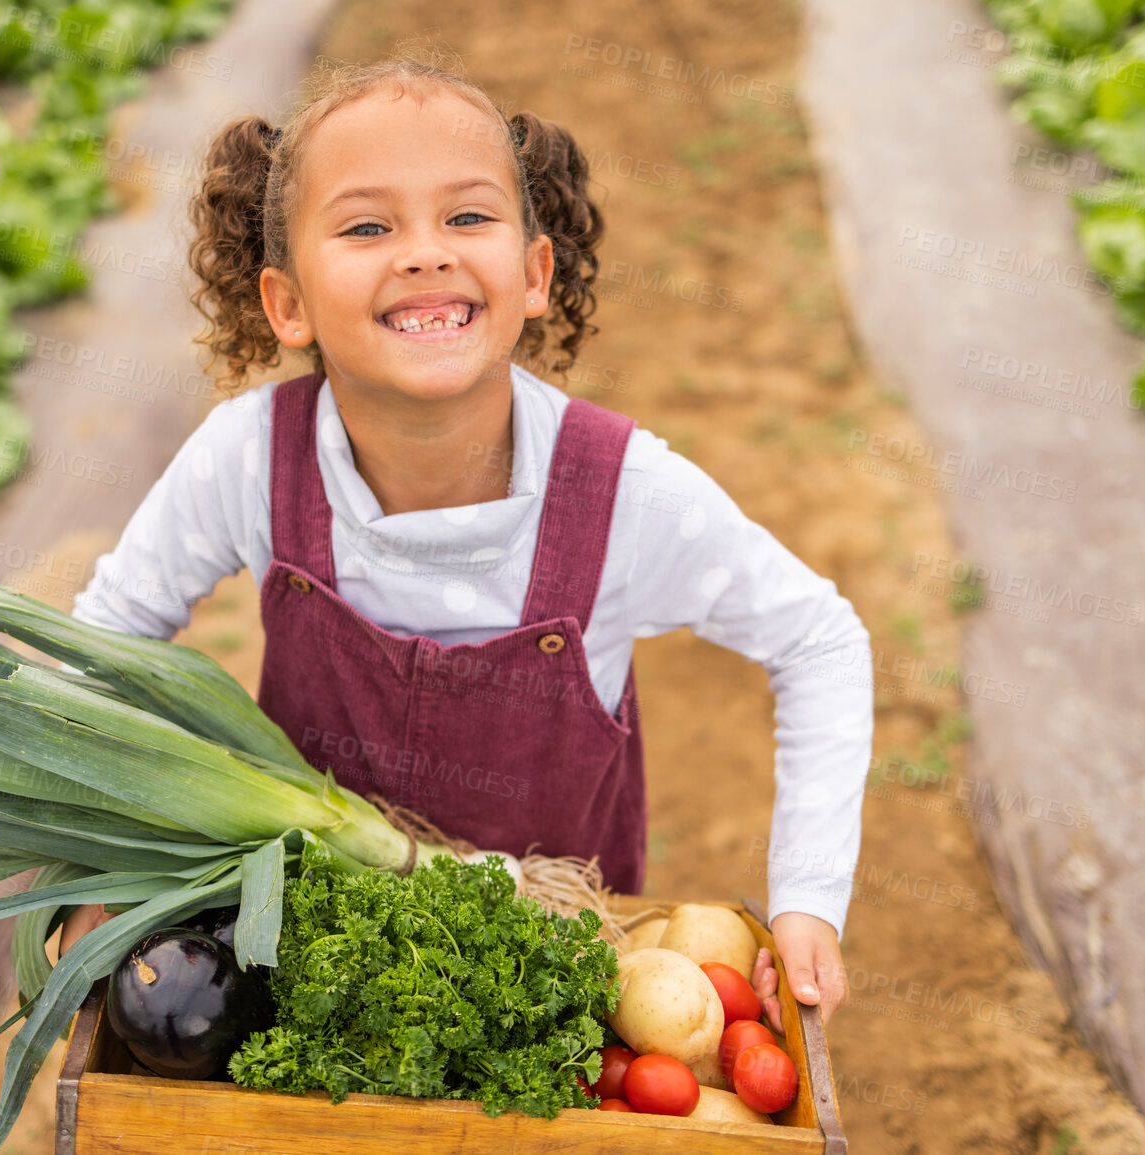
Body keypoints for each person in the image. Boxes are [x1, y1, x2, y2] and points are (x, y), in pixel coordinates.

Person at [58, 54, 872, 1028]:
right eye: (368, 226)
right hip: (313, 962)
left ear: (534, 275)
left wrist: (807, 902)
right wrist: (90, 872)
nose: (424, 253)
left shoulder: (623, 495)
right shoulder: (249, 458)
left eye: (468, 217)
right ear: (289, 304)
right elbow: (107, 640)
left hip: (548, 978)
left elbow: (818, 639)